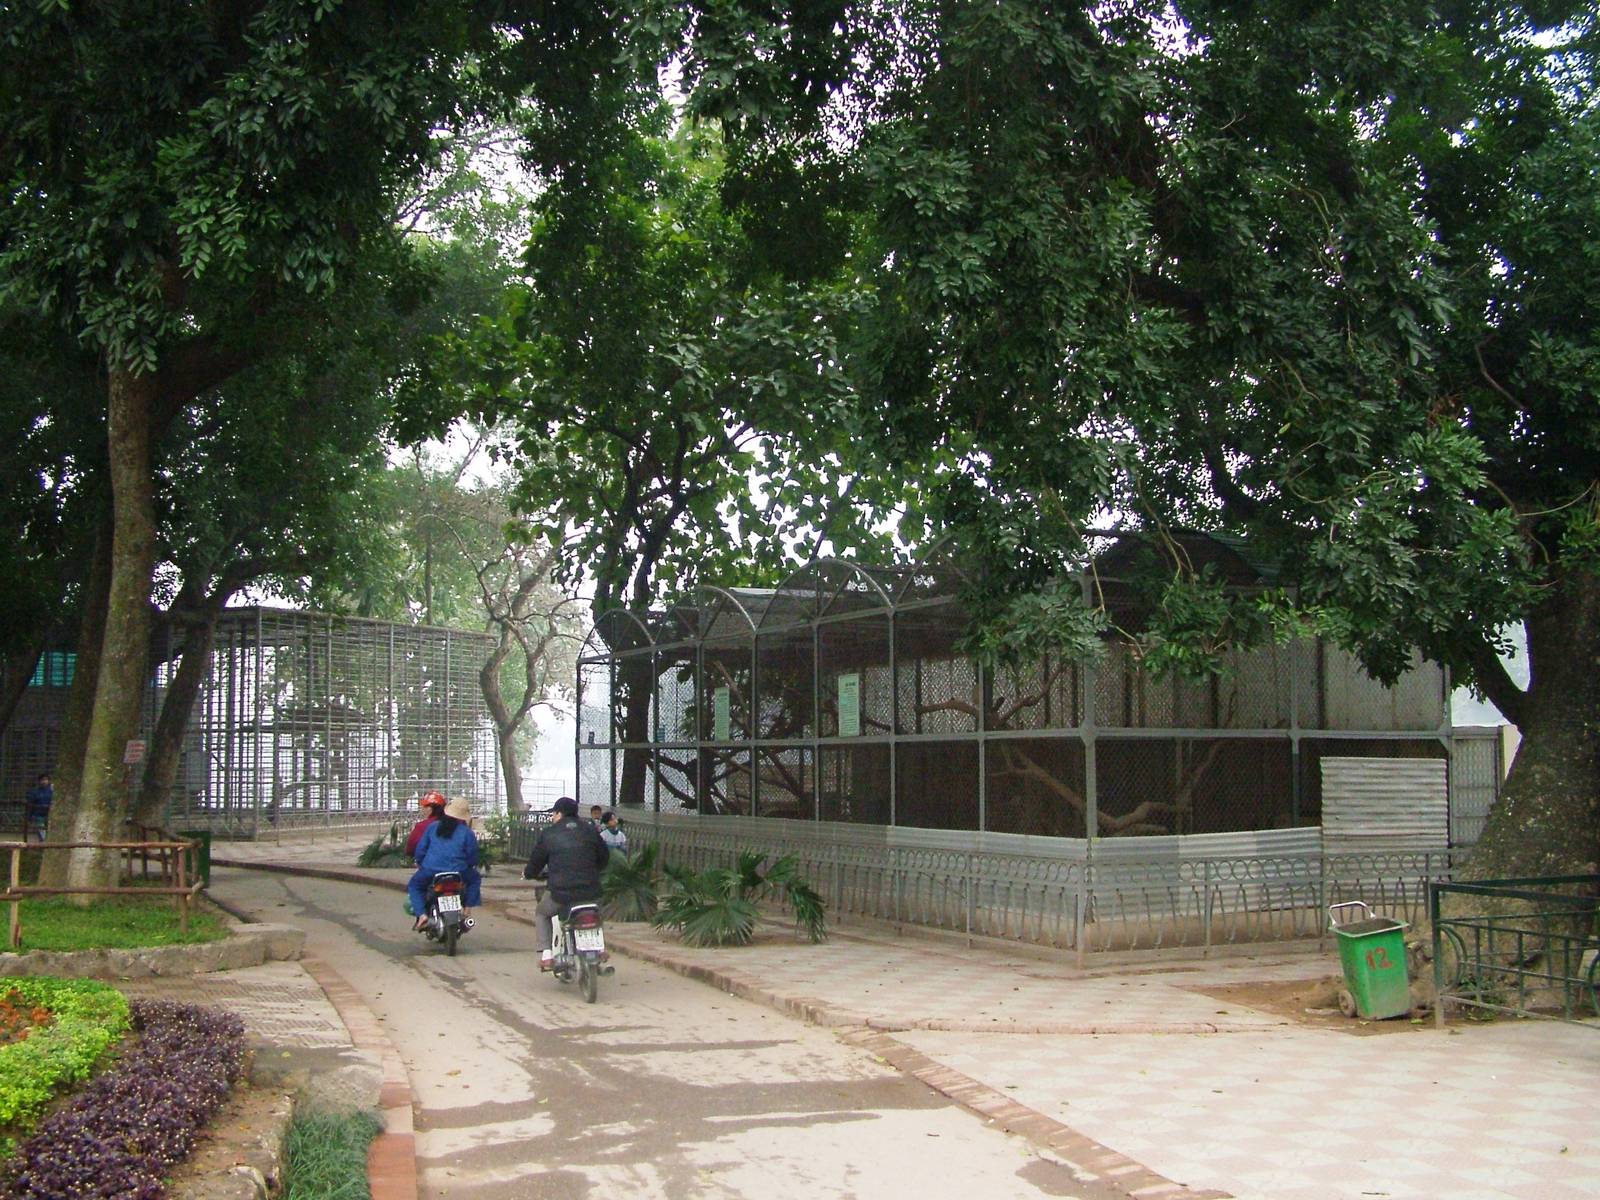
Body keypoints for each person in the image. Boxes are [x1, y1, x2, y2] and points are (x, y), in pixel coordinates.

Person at [523, 796, 608, 971]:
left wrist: (528, 873)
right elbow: (604, 857)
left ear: (560, 813)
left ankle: (547, 955)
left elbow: (536, 862)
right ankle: (600, 948)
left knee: (541, 913)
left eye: (553, 814)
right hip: (591, 891)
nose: (553, 817)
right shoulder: (591, 830)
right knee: (596, 912)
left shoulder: (549, 834)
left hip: (561, 893)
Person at [408, 796, 481, 932]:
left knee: (415, 886)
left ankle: (422, 915)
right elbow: (472, 855)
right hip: (459, 871)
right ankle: (467, 909)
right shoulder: (466, 832)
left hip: (431, 870)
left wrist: (419, 862)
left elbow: (421, 849)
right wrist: (470, 865)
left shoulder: (432, 827)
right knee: (475, 879)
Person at [404, 791, 447, 858]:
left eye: (423, 807)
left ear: (429, 809)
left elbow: (410, 849)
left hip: (428, 864)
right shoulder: (454, 824)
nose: (422, 810)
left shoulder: (421, 827)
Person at [23, 773, 51, 843]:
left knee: (49, 830)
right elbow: (31, 804)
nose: (44, 782)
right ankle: (43, 844)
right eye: (42, 780)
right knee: (42, 831)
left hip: (49, 814)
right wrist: (29, 817)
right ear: (39, 781)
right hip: (39, 815)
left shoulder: (52, 791)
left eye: (46, 780)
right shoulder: (35, 792)